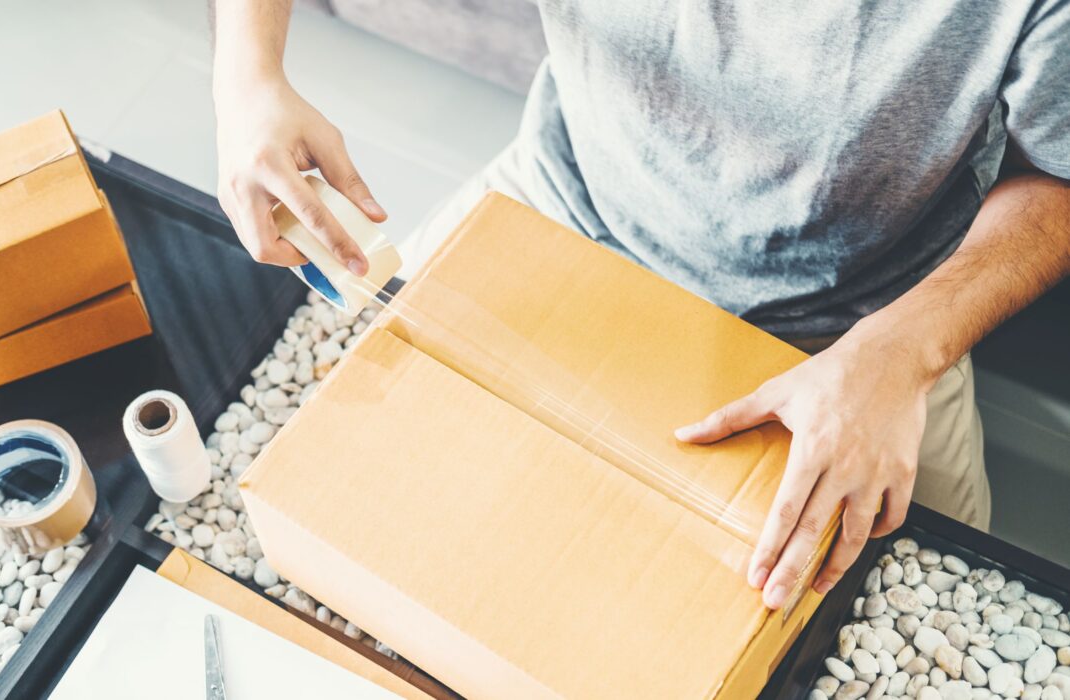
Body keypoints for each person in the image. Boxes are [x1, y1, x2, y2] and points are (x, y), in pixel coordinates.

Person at [210, 0, 1070, 609]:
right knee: (376, 512)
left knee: (927, 595)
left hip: (871, 325)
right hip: (565, 197)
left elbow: (1060, 175)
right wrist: (247, 81)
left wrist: (904, 351)